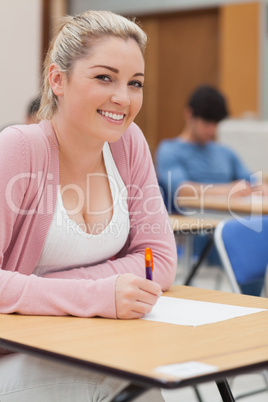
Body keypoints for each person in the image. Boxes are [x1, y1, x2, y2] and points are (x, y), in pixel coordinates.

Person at [0, 10, 177, 402]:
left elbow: (160, 259)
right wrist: (97, 294)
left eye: (135, 83)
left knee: (142, 376)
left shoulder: (128, 144)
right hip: (14, 356)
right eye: (104, 77)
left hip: (86, 344)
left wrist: (76, 292)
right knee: (127, 386)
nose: (123, 98)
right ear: (57, 80)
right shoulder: (18, 149)